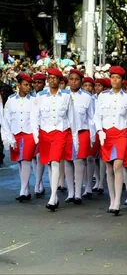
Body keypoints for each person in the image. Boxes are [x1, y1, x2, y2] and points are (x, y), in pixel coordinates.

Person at [94, 66, 127, 215]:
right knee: (109, 168)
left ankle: (117, 202)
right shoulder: (102, 96)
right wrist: (99, 130)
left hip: (122, 133)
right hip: (107, 133)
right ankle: (112, 198)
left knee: (118, 165)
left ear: (122, 80)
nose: (115, 80)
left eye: (118, 78)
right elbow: (97, 116)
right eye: (113, 77)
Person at [30, 68, 79, 212]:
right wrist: (35, 134)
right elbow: (34, 116)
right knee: (50, 164)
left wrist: (75, 138)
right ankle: (55, 197)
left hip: (60, 131)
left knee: (56, 161)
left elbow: (72, 117)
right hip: (45, 132)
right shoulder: (40, 96)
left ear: (60, 81)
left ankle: (52, 196)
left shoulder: (66, 96)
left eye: (55, 78)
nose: (52, 80)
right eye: (50, 78)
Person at [1, 74, 37, 202]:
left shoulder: (33, 99)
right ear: (18, 85)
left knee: (26, 159)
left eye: (29, 85)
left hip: (29, 133)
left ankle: (22, 190)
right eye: (25, 85)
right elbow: (6, 119)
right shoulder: (11, 100)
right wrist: (7, 136)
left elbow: (36, 117)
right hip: (15, 133)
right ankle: (26, 190)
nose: (28, 88)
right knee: (20, 161)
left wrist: (36, 135)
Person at [64, 69, 95, 204]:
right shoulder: (63, 95)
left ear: (81, 81)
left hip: (82, 132)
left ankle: (78, 193)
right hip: (66, 132)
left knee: (79, 161)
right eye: (71, 79)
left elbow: (91, 117)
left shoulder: (87, 97)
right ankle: (70, 192)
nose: (73, 82)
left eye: (76, 79)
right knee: (67, 161)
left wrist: (92, 136)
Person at [31, 72, 47, 196]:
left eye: (40, 82)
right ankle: (39, 182)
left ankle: (38, 183)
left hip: (43, 129)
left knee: (39, 157)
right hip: (30, 129)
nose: (37, 85)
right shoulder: (30, 96)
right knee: (32, 158)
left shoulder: (45, 96)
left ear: (44, 83)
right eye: (35, 82)